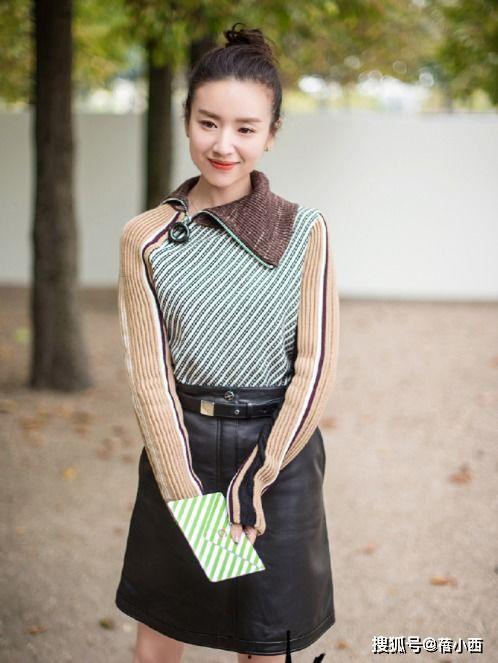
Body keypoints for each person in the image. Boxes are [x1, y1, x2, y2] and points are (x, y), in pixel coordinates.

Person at [114, 22, 340, 663]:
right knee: (159, 644)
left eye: (245, 128)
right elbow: (149, 377)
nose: (224, 144)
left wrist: (255, 480)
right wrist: (188, 494)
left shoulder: (306, 232)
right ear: (187, 121)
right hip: (181, 454)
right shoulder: (146, 237)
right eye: (208, 123)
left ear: (271, 134)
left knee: (266, 647)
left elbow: (315, 366)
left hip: (278, 460)